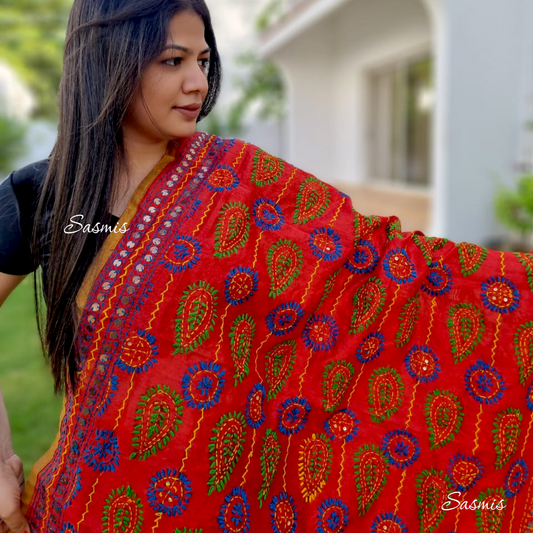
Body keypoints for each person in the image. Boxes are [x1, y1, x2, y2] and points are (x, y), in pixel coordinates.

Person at [0, 0, 532, 532]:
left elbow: (378, 263)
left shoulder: (242, 182)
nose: (197, 84)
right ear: (107, 61)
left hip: (227, 488)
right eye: (172, 61)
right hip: (92, 500)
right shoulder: (42, 197)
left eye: (203, 62)